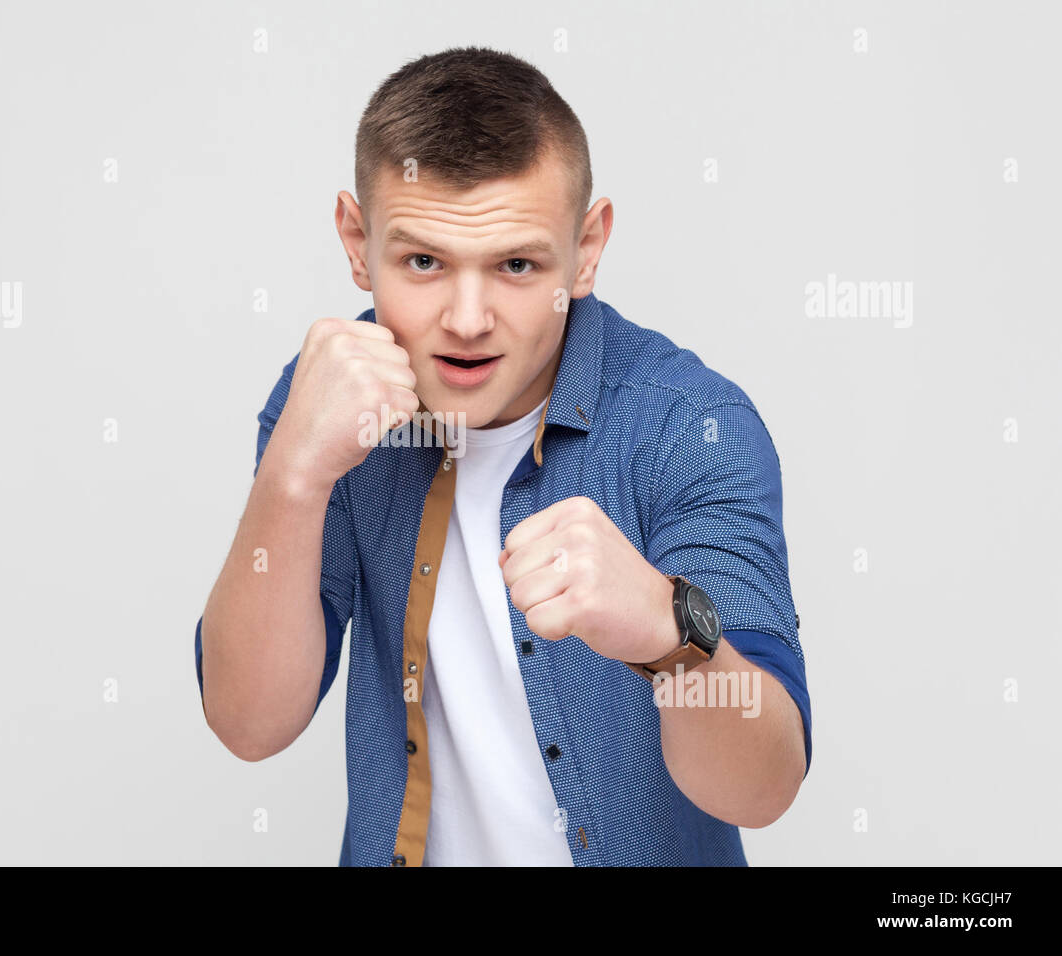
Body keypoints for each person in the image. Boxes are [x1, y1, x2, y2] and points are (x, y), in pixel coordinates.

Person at [195, 45, 811, 866]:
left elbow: (761, 788)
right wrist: (294, 474)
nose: (468, 318)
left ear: (586, 249)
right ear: (356, 238)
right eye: (423, 262)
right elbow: (249, 723)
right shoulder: (324, 400)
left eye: (517, 265)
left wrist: (668, 635)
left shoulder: (689, 424)